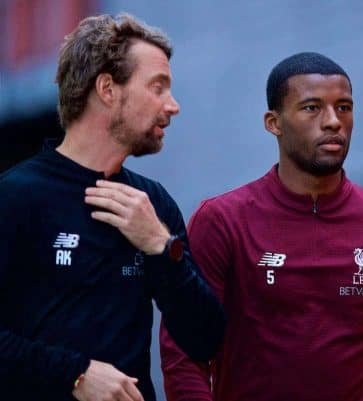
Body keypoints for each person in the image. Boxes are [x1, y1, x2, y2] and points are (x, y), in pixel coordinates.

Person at [160, 52, 363, 401]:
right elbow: (184, 354)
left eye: (344, 107)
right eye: (312, 108)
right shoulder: (223, 220)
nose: (333, 121)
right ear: (274, 122)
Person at [0, 14, 226, 401]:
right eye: (158, 87)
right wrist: (75, 375)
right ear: (107, 88)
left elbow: (205, 341)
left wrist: (159, 245)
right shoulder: (18, 195)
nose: (173, 106)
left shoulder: (153, 204)